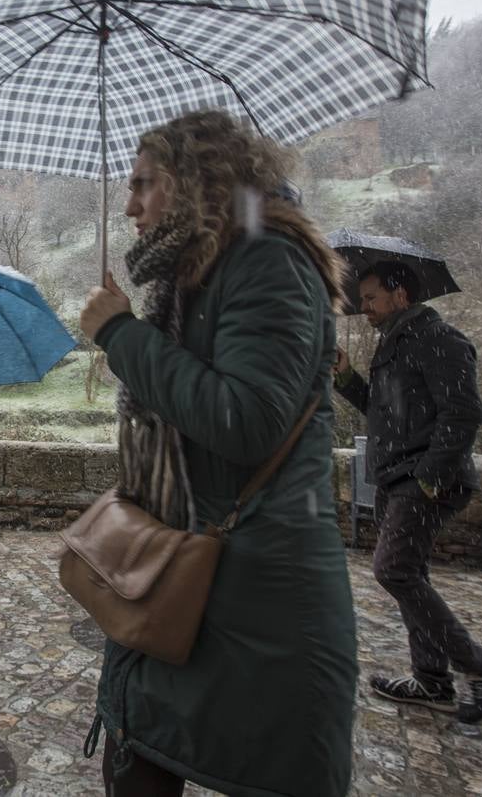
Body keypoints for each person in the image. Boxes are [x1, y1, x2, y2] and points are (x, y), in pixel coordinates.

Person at [79, 110, 357, 797]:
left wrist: (120, 334)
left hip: (259, 603)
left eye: (145, 184)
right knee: (138, 764)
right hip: (181, 578)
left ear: (196, 180)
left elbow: (246, 419)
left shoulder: (269, 260)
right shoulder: (190, 277)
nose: (129, 204)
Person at [334, 260, 482, 724]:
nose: (363, 307)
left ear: (401, 295)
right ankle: (431, 681)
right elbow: (383, 412)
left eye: (370, 298)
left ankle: (478, 666)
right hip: (396, 476)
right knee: (411, 573)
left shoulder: (439, 340)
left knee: (394, 571)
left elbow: (464, 414)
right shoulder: (395, 344)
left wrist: (431, 477)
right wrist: (348, 378)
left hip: (423, 480)